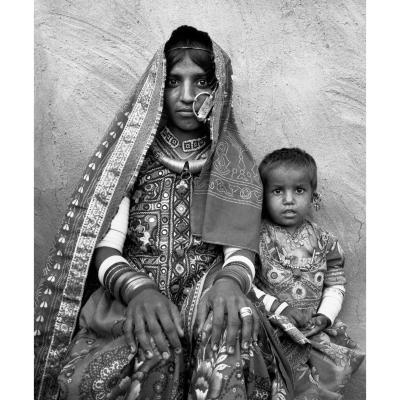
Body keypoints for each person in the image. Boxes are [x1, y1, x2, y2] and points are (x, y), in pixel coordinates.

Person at [34, 26, 295, 400]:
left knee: (230, 343)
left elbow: (239, 249)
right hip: (133, 294)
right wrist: (139, 292)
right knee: (126, 363)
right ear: (157, 87)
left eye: (201, 81)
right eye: (174, 81)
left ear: (219, 89)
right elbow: (105, 247)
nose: (186, 96)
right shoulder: (131, 160)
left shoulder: (233, 163)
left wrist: (229, 283)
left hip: (207, 295)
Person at [253, 147, 365, 399]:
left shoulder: (326, 241)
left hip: (312, 334)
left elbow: (335, 285)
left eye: (299, 190)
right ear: (263, 196)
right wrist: (279, 309)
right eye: (277, 191)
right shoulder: (255, 239)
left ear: (314, 195)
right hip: (269, 335)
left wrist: (325, 316)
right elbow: (247, 284)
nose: (288, 199)